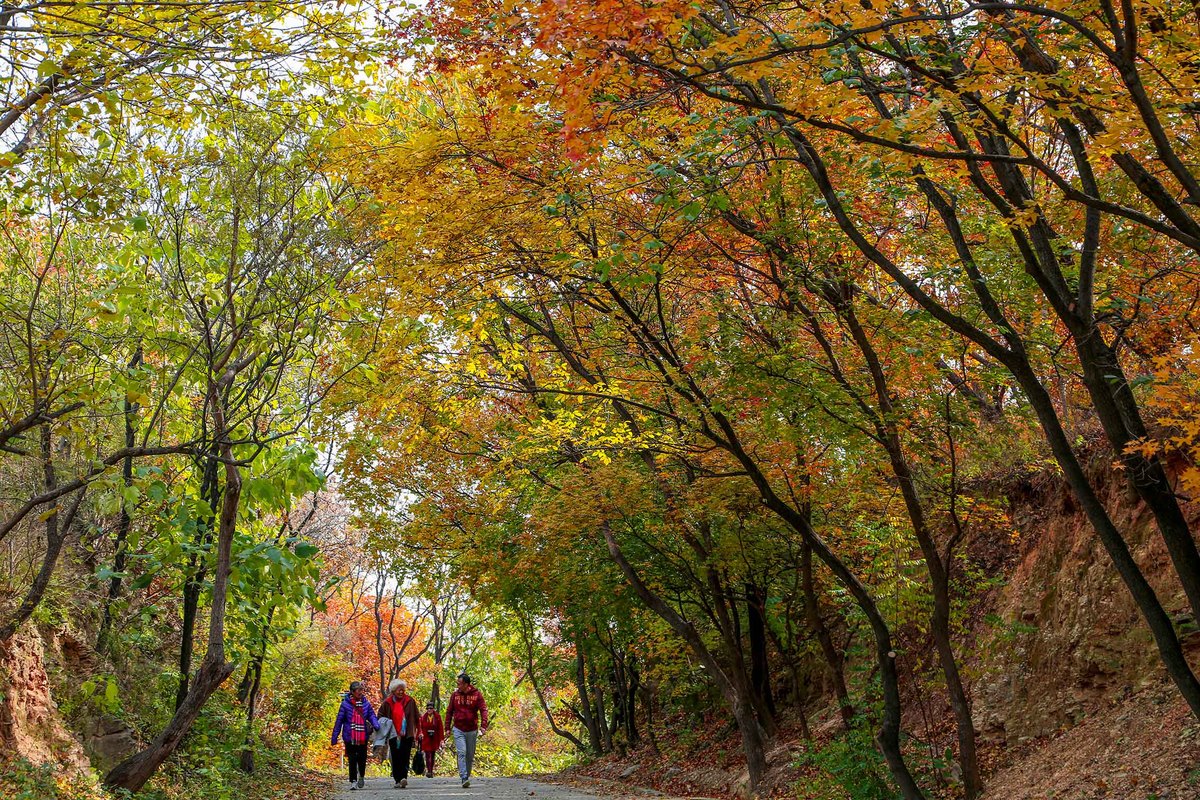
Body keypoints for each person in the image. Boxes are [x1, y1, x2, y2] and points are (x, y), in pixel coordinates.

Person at [332, 681, 380, 791]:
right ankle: (353, 781)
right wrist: (335, 736)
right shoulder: (345, 704)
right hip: (349, 736)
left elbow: (371, 715)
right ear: (352, 692)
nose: (360, 692)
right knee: (352, 759)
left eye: (361, 690)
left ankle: (361, 776)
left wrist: (376, 724)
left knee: (362, 758)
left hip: (363, 735)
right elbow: (339, 721)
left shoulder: (366, 704)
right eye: (358, 690)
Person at [444, 672, 488, 788]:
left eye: (460, 683)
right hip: (458, 729)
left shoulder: (477, 695)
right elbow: (449, 711)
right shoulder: (455, 695)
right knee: (461, 752)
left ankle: (466, 776)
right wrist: (447, 728)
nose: (458, 685)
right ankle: (464, 777)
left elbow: (483, 710)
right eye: (457, 683)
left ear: (466, 684)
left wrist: (483, 725)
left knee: (469, 755)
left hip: (472, 729)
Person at [380, 678, 420, 789]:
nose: (401, 692)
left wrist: (419, 732)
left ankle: (404, 778)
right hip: (393, 734)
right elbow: (380, 716)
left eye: (403, 689)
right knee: (396, 757)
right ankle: (397, 779)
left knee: (405, 756)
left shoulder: (410, 701)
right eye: (399, 690)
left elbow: (417, 717)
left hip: (407, 733)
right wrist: (385, 725)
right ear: (393, 691)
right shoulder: (387, 703)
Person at [417, 700, 445, 778]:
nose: (429, 710)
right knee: (427, 754)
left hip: (434, 738)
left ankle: (431, 770)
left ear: (433, 709)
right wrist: (420, 734)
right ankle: (429, 771)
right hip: (426, 737)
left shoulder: (437, 717)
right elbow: (420, 727)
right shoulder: (423, 717)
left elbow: (440, 728)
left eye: (431, 708)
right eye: (428, 708)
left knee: (432, 754)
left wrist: (441, 740)